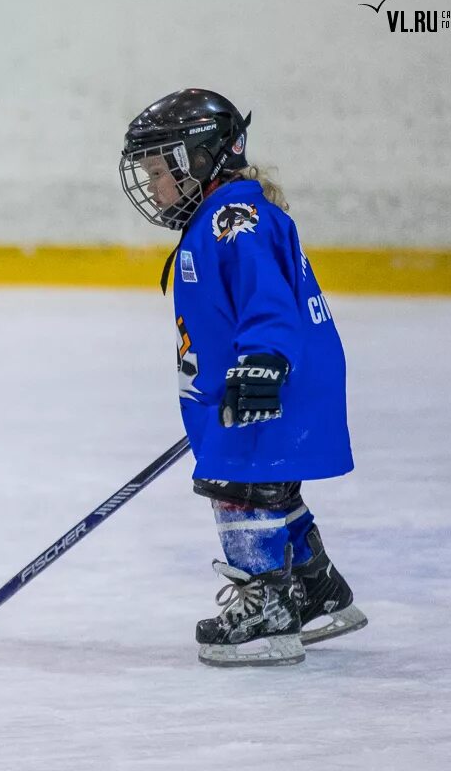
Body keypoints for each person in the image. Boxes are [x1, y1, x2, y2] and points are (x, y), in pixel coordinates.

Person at [118, 89, 367, 666]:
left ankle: (266, 613)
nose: (153, 187)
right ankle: (317, 592)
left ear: (200, 159)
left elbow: (269, 303)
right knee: (270, 485)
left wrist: (260, 363)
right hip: (272, 375)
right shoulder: (225, 217)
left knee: (239, 486)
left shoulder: (234, 220)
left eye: (160, 170)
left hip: (270, 375)